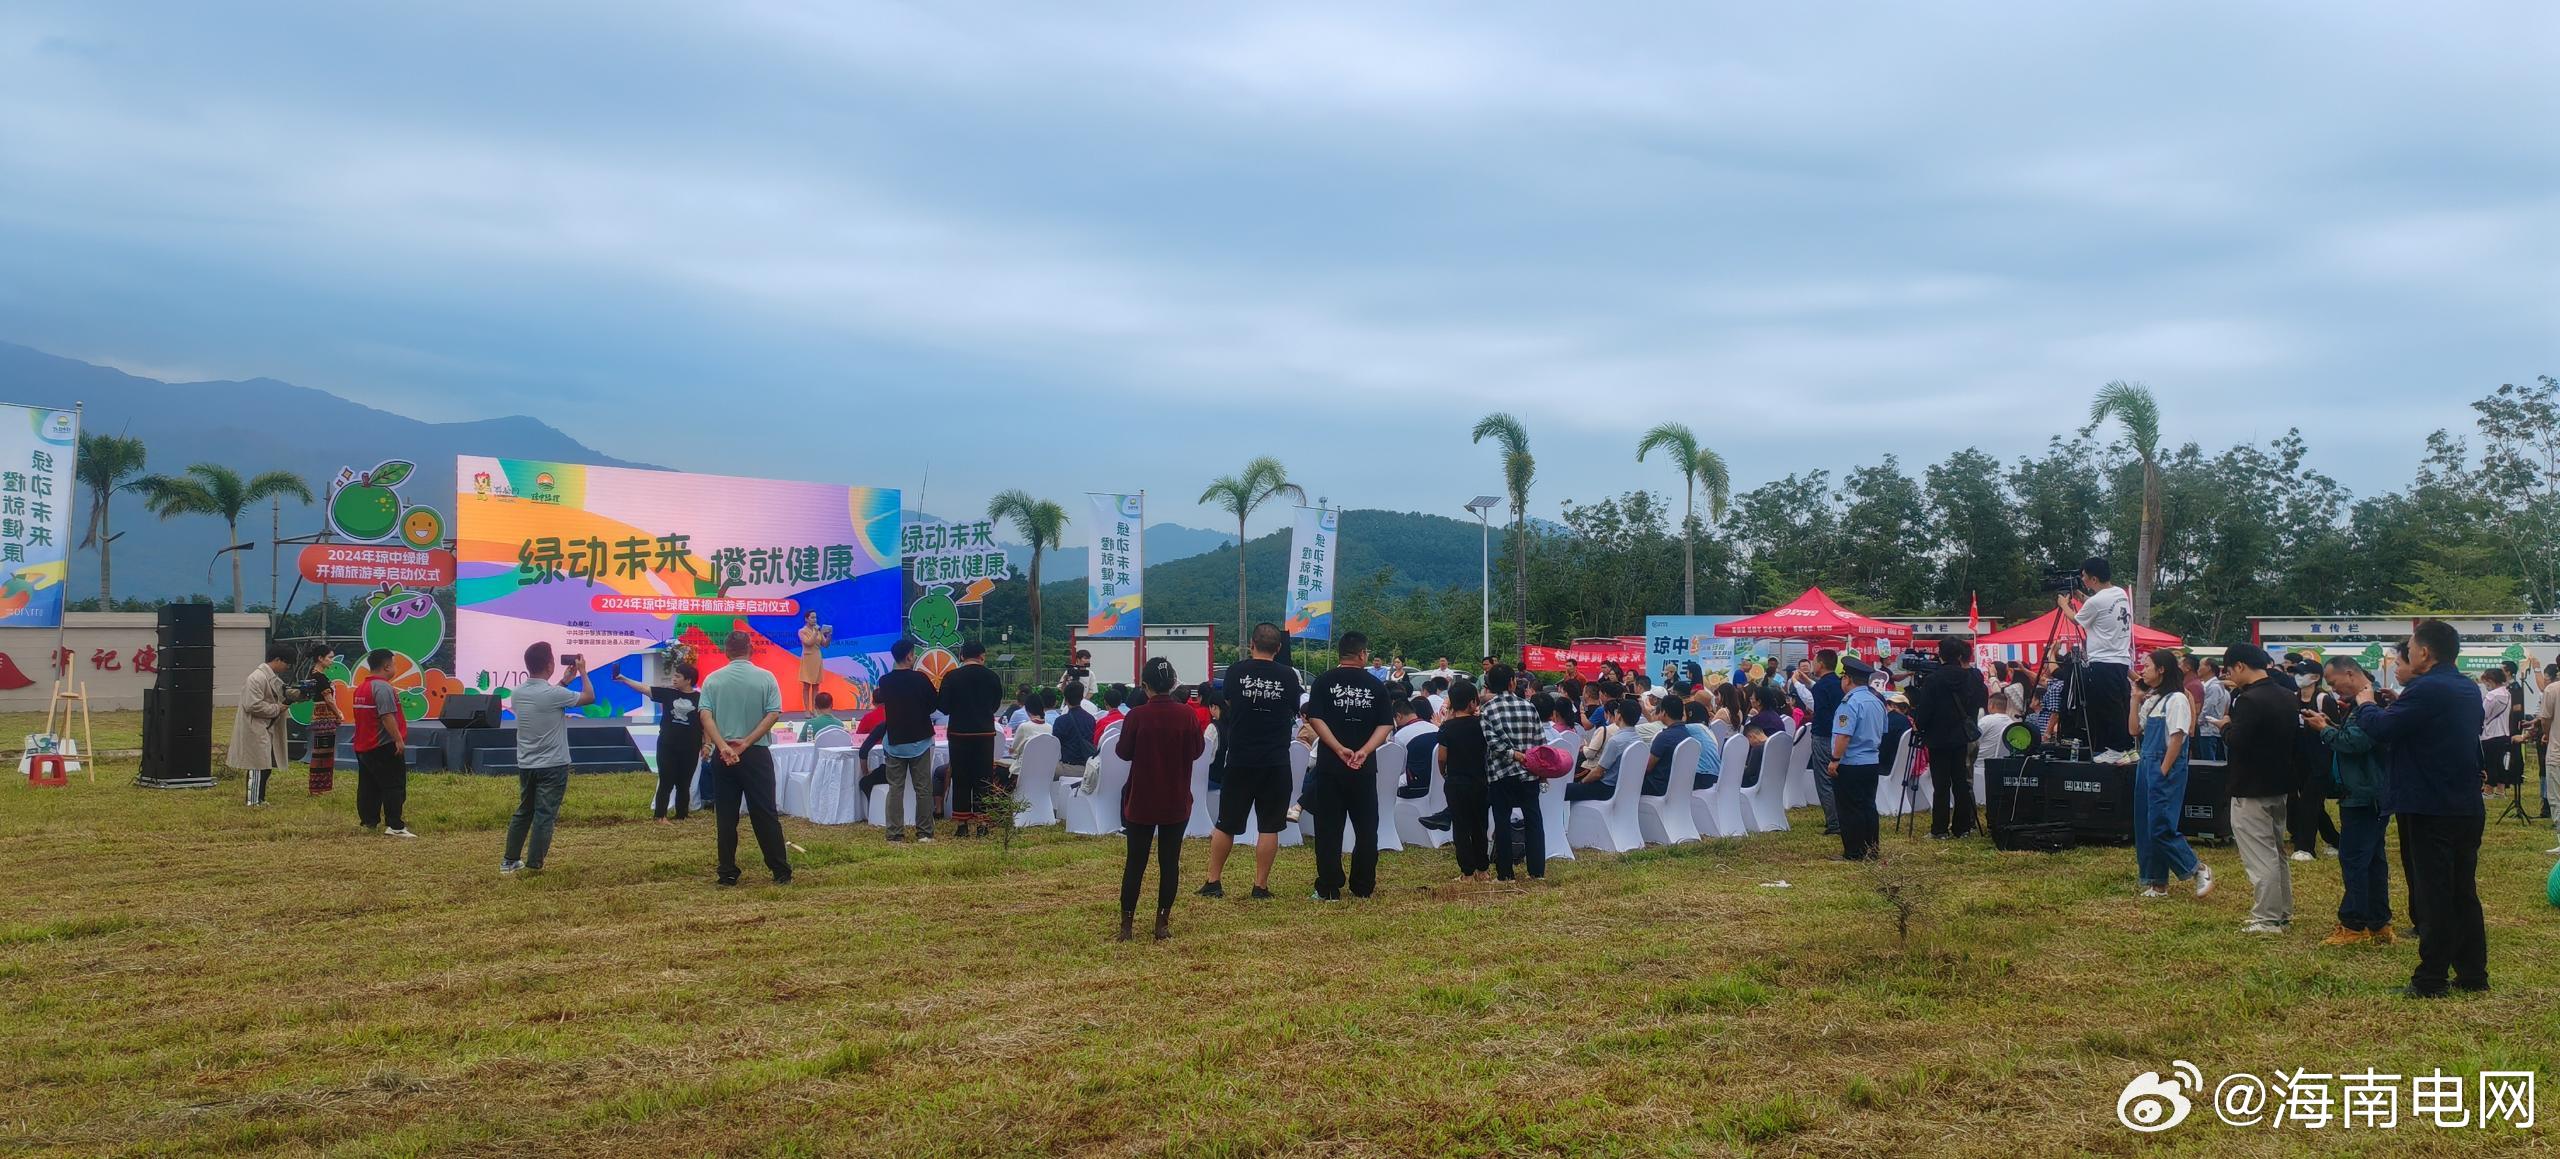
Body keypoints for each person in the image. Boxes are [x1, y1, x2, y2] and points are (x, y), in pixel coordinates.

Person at [2352, 620, 2487, 997]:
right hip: (2463, 803)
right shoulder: (2464, 687)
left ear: (2424, 653)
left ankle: (2430, 980)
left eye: (2409, 648)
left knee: (2434, 895)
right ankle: (2473, 974)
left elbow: (2381, 730)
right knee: (2463, 890)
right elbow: (2433, 727)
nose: (2406, 654)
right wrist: (2399, 707)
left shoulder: (2426, 688)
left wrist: (2365, 704)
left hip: (2429, 805)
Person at [1199, 624, 1302, 900]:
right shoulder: (1288, 676)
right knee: (1270, 825)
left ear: (1251, 645)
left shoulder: (1235, 672)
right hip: (1276, 759)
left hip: (1240, 758)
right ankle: (1260, 886)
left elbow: (1230, 700)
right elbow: (1296, 707)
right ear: (1278, 648)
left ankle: (1213, 881)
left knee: (1226, 822)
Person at [2303, 657, 2390, 946]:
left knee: (2354, 860)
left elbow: (2356, 742)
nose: (2333, 689)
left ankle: (2353, 924)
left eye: (2333, 682)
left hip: (2364, 795)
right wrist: (2332, 726)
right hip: (2369, 793)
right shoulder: (2365, 702)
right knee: (2373, 860)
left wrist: (2324, 730)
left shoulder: (2370, 703)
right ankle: (2379, 924)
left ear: (2350, 673)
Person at [1115, 657, 1203, 941]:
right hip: (1176, 799)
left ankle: (1127, 926)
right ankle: (1161, 923)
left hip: (1142, 799)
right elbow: (1196, 751)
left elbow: (1123, 752)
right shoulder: (1187, 715)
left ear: (1145, 686)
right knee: (1170, 862)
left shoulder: (1136, 716)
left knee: (1135, 863)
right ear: (1173, 683)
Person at [698, 628, 792, 887]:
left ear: (726, 651)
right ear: (750, 649)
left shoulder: (713, 680)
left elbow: (705, 716)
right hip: (756, 754)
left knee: (726, 817)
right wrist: (746, 743)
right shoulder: (766, 678)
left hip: (724, 754)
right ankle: (780, 871)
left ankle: (727, 872)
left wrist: (723, 747)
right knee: (765, 813)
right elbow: (773, 714)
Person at [1305, 632, 1394, 901]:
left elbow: (1315, 718)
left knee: (1328, 828)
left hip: (1331, 766)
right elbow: (1386, 725)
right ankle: (1363, 885)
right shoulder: (1376, 685)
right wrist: (1364, 751)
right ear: (1363, 654)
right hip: (1363, 769)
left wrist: (1337, 747)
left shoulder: (1323, 682)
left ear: (1340, 654)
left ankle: (1330, 886)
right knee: (1367, 827)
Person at [2219, 644, 2299, 934]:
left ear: (2240, 666)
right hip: (2279, 784)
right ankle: (2282, 913)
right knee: (2276, 853)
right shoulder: (2287, 696)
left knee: (2260, 856)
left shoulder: (2250, 700)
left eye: (2229, 669)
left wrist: (2225, 727)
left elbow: (2239, 740)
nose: (2229, 675)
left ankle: (2266, 919)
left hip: (2250, 786)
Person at [502, 642, 594, 873]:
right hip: (553, 764)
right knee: (545, 815)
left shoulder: (518, 693)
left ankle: (509, 860)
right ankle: (534, 865)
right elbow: (589, 697)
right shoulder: (554, 694)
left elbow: (547, 698)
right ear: (550, 664)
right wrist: (582, 671)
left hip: (527, 763)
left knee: (525, 811)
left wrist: (564, 681)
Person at [2129, 647, 2212, 899]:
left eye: (2147, 666)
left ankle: (2196, 868)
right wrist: (2135, 699)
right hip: (2146, 764)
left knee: (2160, 824)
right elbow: (2134, 730)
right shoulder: (2153, 699)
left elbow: (2177, 739)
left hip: (2164, 765)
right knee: (2145, 824)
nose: (2143, 670)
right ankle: (2157, 882)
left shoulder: (2176, 699)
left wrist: (2163, 770)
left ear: (2162, 670)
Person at [1909, 637, 1989, 840]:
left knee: (1941, 785)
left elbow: (1925, 710)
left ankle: (1940, 829)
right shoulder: (1970, 678)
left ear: (1941, 655)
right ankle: (1962, 827)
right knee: (1961, 782)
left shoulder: (1934, 679)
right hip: (1961, 736)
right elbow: (1979, 701)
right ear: (1960, 655)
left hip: (1938, 738)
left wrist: (1920, 725)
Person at [1477, 664, 1546, 882]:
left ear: (1489, 686)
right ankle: (1537, 871)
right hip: (1529, 773)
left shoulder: (1488, 710)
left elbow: (1493, 744)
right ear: (1512, 682)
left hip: (1501, 774)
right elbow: (1540, 742)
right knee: (1534, 819)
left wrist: (1513, 754)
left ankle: (1505, 873)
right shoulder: (1529, 707)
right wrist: (1536, 767)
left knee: (1502, 821)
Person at [2062, 556, 2136, 758]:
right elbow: (2097, 607)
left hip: (2104, 661)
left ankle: (2115, 750)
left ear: (2093, 578)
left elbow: (2077, 619)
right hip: (2120, 659)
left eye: (2084, 576)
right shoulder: (2118, 593)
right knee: (2120, 705)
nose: (2083, 580)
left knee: (2107, 708)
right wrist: (2079, 596)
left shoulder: (2097, 601)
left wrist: (2063, 604)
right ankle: (2128, 747)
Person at [616, 659, 704, 822]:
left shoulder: (701, 698)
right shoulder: (668, 693)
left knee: (684, 784)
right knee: (666, 781)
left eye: (678, 676)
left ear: (688, 680)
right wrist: (624, 679)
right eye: (674, 675)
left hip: (691, 747)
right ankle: (660, 816)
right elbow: (644, 688)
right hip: (667, 746)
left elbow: (706, 722)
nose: (674, 678)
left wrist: (707, 744)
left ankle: (681, 815)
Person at [872, 639, 940, 842]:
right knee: (923, 789)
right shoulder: (921, 678)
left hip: (895, 741)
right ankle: (925, 833)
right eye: (914, 653)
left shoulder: (884, 681)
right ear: (909, 655)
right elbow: (933, 705)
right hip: (920, 740)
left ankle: (894, 834)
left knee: (895, 789)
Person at [1824, 655, 1888, 860]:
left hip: (1851, 763)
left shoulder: (1849, 702)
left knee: (1849, 808)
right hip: (1871, 762)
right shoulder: (1876, 700)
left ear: (1848, 679)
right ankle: (1872, 847)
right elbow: (1883, 731)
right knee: (1868, 805)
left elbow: (1844, 735)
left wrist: (1835, 759)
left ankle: (1854, 851)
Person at [939, 641, 1005, 837]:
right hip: (984, 733)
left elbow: (943, 706)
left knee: (961, 777)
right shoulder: (992, 676)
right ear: (982, 656)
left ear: (961, 656)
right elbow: (995, 705)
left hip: (959, 733)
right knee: (983, 778)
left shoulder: (952, 676)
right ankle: (983, 824)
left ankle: (962, 825)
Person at [350, 648, 416, 838]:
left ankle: (369, 821)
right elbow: (387, 717)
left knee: (368, 785)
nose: (395, 668)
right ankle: (395, 825)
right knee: (394, 785)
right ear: (387, 666)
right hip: (382, 745)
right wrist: (398, 739)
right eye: (394, 664)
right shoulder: (383, 688)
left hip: (363, 746)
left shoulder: (361, 688)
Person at [1437, 679, 1491, 882]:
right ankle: (1483, 869)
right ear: (1472, 703)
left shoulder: (1447, 728)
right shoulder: (1481, 725)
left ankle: (1467, 872)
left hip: (1456, 781)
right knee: (1480, 825)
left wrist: (1444, 773)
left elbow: (1442, 757)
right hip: (1480, 780)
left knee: (1460, 826)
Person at [229, 644, 295, 808]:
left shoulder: (271, 677)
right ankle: (252, 801)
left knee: (265, 765)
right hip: (255, 727)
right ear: (277, 659)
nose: (287, 668)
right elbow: (252, 705)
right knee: (257, 766)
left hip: (265, 727)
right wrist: (277, 708)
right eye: (287, 663)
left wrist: (300, 694)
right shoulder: (257, 678)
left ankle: (261, 798)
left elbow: (284, 692)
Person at [1569, 699, 1645, 802]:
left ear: (1619, 716)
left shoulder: (1616, 741)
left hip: (1606, 788)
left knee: (1567, 789)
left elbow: (1598, 773)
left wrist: (1581, 783)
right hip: (1626, 788)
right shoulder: (1639, 740)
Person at [1805, 650, 1845, 835]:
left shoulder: (1821, 687)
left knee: (1824, 780)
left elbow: (1820, 711)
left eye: (1814, 661)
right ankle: (1843, 818)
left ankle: (1834, 823)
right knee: (1839, 779)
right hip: (1839, 736)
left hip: (1822, 735)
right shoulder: (1840, 684)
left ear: (1820, 664)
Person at [303, 644, 340, 795]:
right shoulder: (320, 677)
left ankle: (318, 786)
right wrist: (338, 714)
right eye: (330, 657)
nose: (332, 661)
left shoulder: (314, 675)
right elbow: (329, 700)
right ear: (320, 658)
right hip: (324, 718)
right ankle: (318, 787)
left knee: (322, 751)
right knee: (323, 752)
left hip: (320, 718)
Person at [1055, 681, 1098, 791]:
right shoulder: (1091, 719)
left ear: (1066, 699)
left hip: (1067, 768)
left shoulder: (1061, 721)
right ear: (1081, 697)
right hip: (1088, 767)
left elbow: (1054, 746)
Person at [2478, 667, 2515, 794]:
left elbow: (2483, 714)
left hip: (2490, 733)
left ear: (2491, 680)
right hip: (2504, 732)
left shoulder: (2491, 696)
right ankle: (2501, 790)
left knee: (2490, 762)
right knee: (2500, 762)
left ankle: (2488, 790)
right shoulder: (2507, 694)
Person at [2194, 658, 2230, 761]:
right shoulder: (2213, 685)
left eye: (2201, 665)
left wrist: (2198, 721)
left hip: (2208, 730)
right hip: (2209, 730)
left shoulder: (2214, 687)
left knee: (2208, 763)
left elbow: (2208, 708)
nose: (2198, 668)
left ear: (2209, 668)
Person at [795, 611, 831, 713]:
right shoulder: (802, 631)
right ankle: (807, 710)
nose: (814, 620)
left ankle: (815, 709)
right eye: (812, 618)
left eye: (815, 618)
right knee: (806, 685)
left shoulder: (818, 631)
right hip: (807, 659)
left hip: (817, 658)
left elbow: (825, 644)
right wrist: (815, 632)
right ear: (806, 619)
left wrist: (828, 636)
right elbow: (808, 643)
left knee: (816, 685)